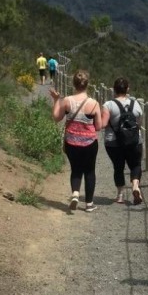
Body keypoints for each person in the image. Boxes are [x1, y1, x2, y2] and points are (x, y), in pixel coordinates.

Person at [49, 70, 102, 212]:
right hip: (89, 143)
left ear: (73, 83)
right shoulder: (94, 104)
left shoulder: (66, 101)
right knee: (90, 171)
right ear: (87, 84)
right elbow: (98, 126)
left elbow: (56, 118)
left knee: (76, 169)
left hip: (71, 142)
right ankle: (89, 204)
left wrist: (56, 100)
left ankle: (75, 194)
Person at [101, 77, 144, 205]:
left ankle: (120, 195)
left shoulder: (108, 105)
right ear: (127, 89)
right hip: (134, 141)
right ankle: (135, 186)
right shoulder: (135, 104)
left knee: (118, 167)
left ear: (114, 90)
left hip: (113, 142)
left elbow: (103, 124)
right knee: (135, 165)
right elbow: (139, 123)